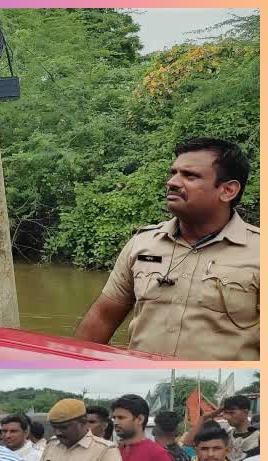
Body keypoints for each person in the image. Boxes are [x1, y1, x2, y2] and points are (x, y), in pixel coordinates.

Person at [75, 138, 258, 360]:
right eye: (174, 173)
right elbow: (102, 318)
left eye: (190, 176)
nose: (172, 182)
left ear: (228, 190)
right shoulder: (142, 244)